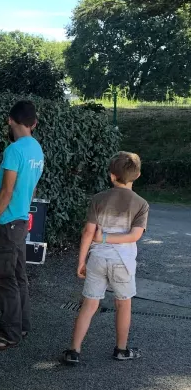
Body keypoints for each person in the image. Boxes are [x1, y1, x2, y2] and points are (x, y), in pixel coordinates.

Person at [61, 152, 148, 365]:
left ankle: (74, 351)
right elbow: (135, 236)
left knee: (89, 304)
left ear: (111, 175)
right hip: (123, 262)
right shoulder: (141, 204)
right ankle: (121, 349)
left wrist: (81, 261)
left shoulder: (98, 199)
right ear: (137, 175)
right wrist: (108, 238)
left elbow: (88, 232)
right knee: (123, 304)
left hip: (97, 258)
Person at [0, 100, 45, 351]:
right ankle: (21, 325)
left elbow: (7, 190)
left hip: (7, 222)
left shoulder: (14, 150)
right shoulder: (37, 149)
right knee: (19, 276)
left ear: (10, 120)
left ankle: (9, 333)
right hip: (20, 221)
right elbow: (31, 189)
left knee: (4, 278)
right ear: (34, 123)